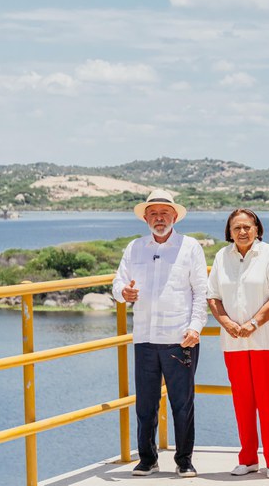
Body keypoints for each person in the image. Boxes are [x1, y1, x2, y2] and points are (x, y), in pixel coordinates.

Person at [112, 189, 207, 478]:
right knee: (145, 404)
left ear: (175, 216)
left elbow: (201, 292)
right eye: (153, 213)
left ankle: (184, 460)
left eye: (164, 213)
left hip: (180, 338)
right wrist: (122, 293)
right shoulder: (134, 248)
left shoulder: (190, 247)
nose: (159, 218)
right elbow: (118, 284)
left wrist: (195, 327)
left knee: (182, 403)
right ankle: (147, 458)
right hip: (144, 338)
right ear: (145, 218)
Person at [207, 209, 269, 480]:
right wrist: (228, 324)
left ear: (257, 228)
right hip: (233, 342)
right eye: (236, 228)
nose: (242, 232)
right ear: (229, 232)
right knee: (242, 402)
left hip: (266, 340)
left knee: (268, 402)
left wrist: (253, 323)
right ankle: (248, 458)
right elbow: (213, 296)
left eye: (247, 227)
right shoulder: (222, 256)